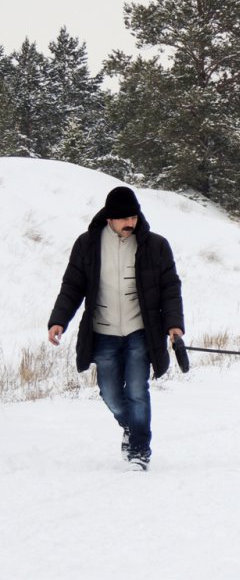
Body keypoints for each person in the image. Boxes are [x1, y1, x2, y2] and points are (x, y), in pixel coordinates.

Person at [47, 186, 185, 471]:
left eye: (134, 217)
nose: (130, 223)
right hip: (103, 332)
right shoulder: (87, 244)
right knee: (109, 393)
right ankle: (131, 427)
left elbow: (171, 288)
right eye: (124, 218)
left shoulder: (155, 245)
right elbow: (72, 286)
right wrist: (59, 319)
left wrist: (174, 326)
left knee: (136, 389)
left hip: (139, 331)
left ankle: (139, 449)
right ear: (109, 218)